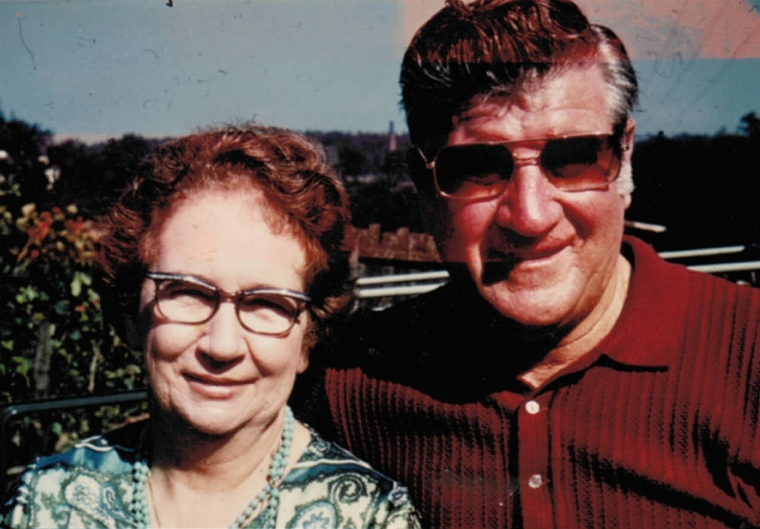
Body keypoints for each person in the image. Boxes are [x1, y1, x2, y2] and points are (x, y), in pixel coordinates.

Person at [294, 1, 760, 528]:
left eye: (573, 158)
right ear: (424, 185)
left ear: (625, 157)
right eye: (480, 168)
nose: (531, 216)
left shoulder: (748, 354)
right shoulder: (346, 383)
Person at [0, 125, 421, 529]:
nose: (222, 346)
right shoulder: (44, 501)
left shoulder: (370, 519)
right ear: (132, 316)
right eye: (189, 293)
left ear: (307, 340)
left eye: (266, 303)